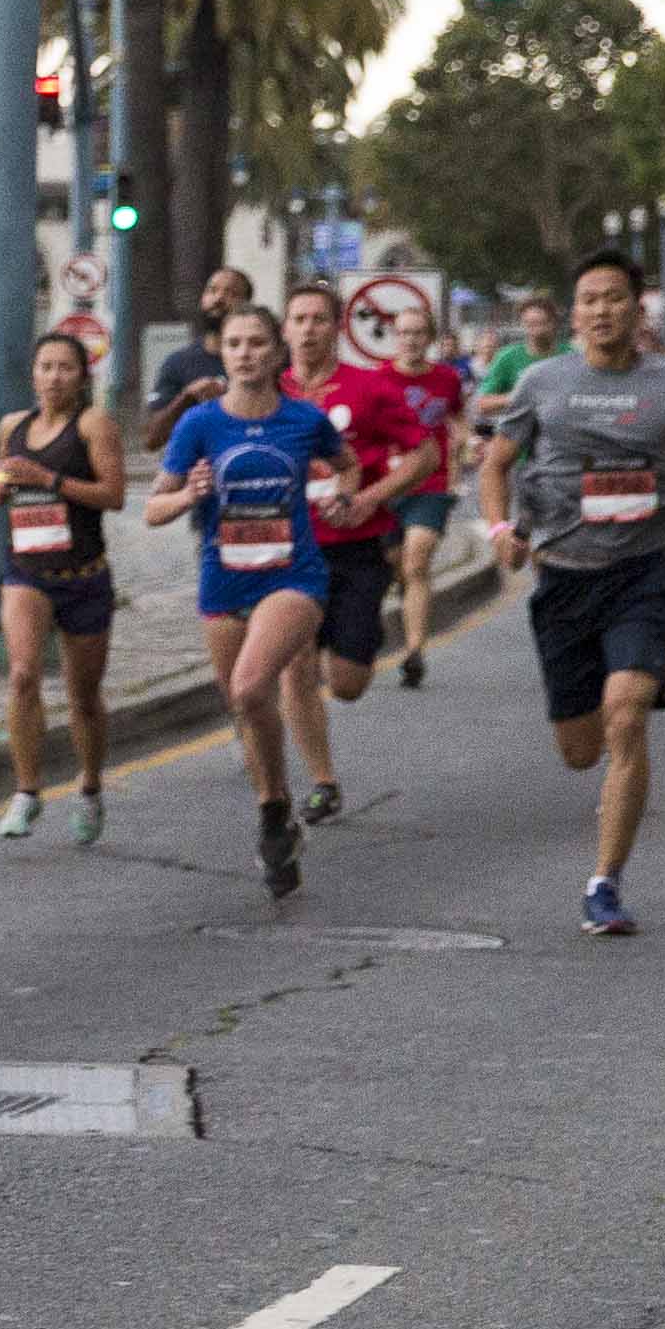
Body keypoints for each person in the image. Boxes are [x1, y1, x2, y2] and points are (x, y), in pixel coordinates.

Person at [477, 248, 665, 939]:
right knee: (579, 750)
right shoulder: (544, 383)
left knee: (628, 711)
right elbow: (496, 465)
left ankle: (604, 884)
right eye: (589, 299)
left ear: (639, 310)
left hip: (644, 571)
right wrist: (498, 530)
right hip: (565, 576)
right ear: (574, 313)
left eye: (614, 298)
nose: (601, 310)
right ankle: (612, 785)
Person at [140, 300, 343, 901]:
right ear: (221, 354)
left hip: (293, 576)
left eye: (257, 342)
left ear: (278, 351)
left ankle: (278, 808)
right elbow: (153, 508)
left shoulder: (306, 420)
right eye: (234, 344)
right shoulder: (199, 424)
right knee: (241, 703)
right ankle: (274, 808)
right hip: (223, 578)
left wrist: (339, 495)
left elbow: (346, 467)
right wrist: (187, 496)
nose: (246, 354)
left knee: (255, 686)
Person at [279, 278, 441, 825]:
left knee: (346, 685)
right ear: (286, 328)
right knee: (295, 665)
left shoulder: (369, 389)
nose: (307, 330)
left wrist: (368, 497)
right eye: (298, 319)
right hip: (290, 554)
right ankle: (323, 781)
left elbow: (423, 454)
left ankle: (358, 637)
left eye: (318, 319)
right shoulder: (270, 392)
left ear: (336, 328)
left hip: (356, 550)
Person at [0, 326, 125, 843]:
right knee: (23, 673)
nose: (53, 377)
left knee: (83, 695)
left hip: (83, 575)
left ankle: (89, 787)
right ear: (33, 374)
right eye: (45, 367)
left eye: (65, 368)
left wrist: (49, 481)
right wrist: (0, 488)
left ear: (81, 376)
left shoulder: (94, 425)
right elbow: (2, 478)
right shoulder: (13, 426)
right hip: (28, 569)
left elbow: (113, 495)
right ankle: (26, 791)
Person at [368, 279, 475, 687]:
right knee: (396, 566)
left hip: (430, 485)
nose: (411, 340)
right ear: (395, 338)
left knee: (416, 563)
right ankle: (404, 616)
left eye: (418, 333)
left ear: (430, 338)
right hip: (387, 486)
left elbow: (458, 417)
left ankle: (414, 651)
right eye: (404, 333)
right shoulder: (378, 379)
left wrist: (462, 441)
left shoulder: (446, 379)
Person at [147, 265, 253, 415]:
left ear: (247, 305)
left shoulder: (260, 362)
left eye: (231, 293)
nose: (219, 298)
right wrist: (187, 398)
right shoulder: (178, 363)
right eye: (212, 290)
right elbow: (152, 431)